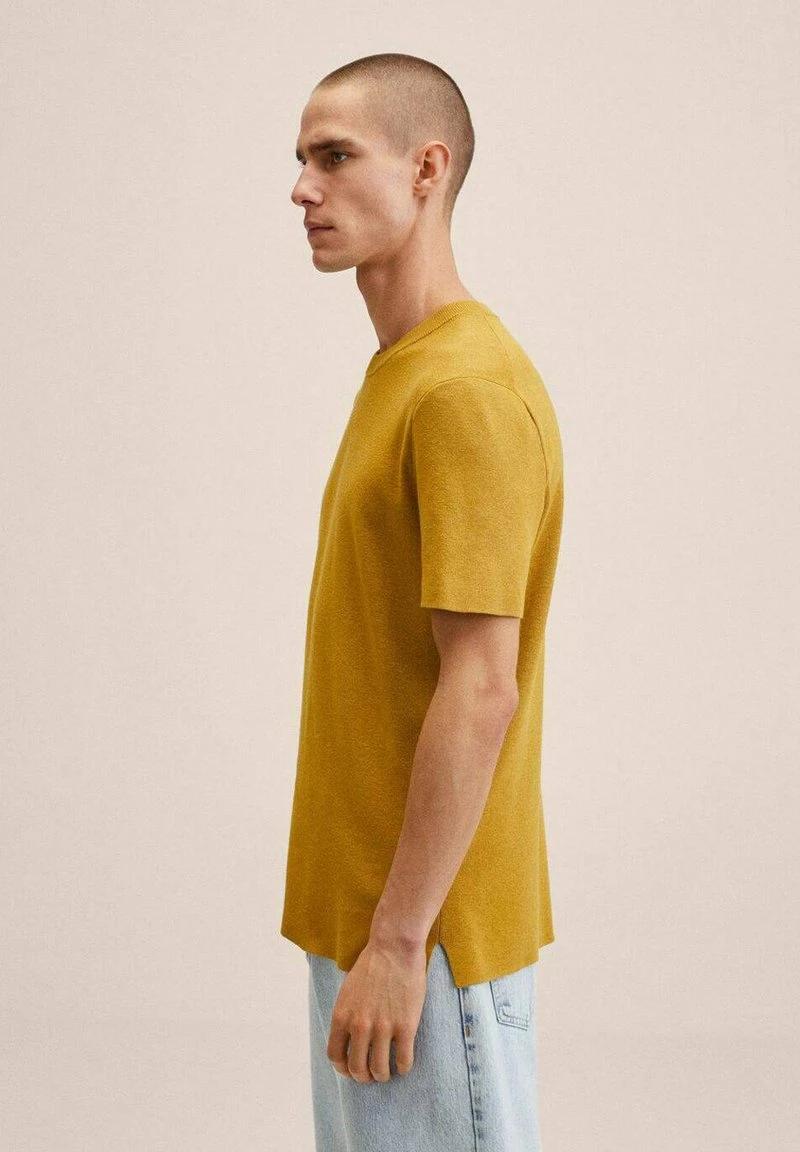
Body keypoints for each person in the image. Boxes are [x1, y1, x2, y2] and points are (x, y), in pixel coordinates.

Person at [280, 52, 564, 1151]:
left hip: (424, 941)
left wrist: (399, 944)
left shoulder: (462, 391)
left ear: (426, 169)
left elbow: (481, 688)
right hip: (378, 921)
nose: (302, 188)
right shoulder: (405, 371)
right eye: (301, 159)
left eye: (334, 156)